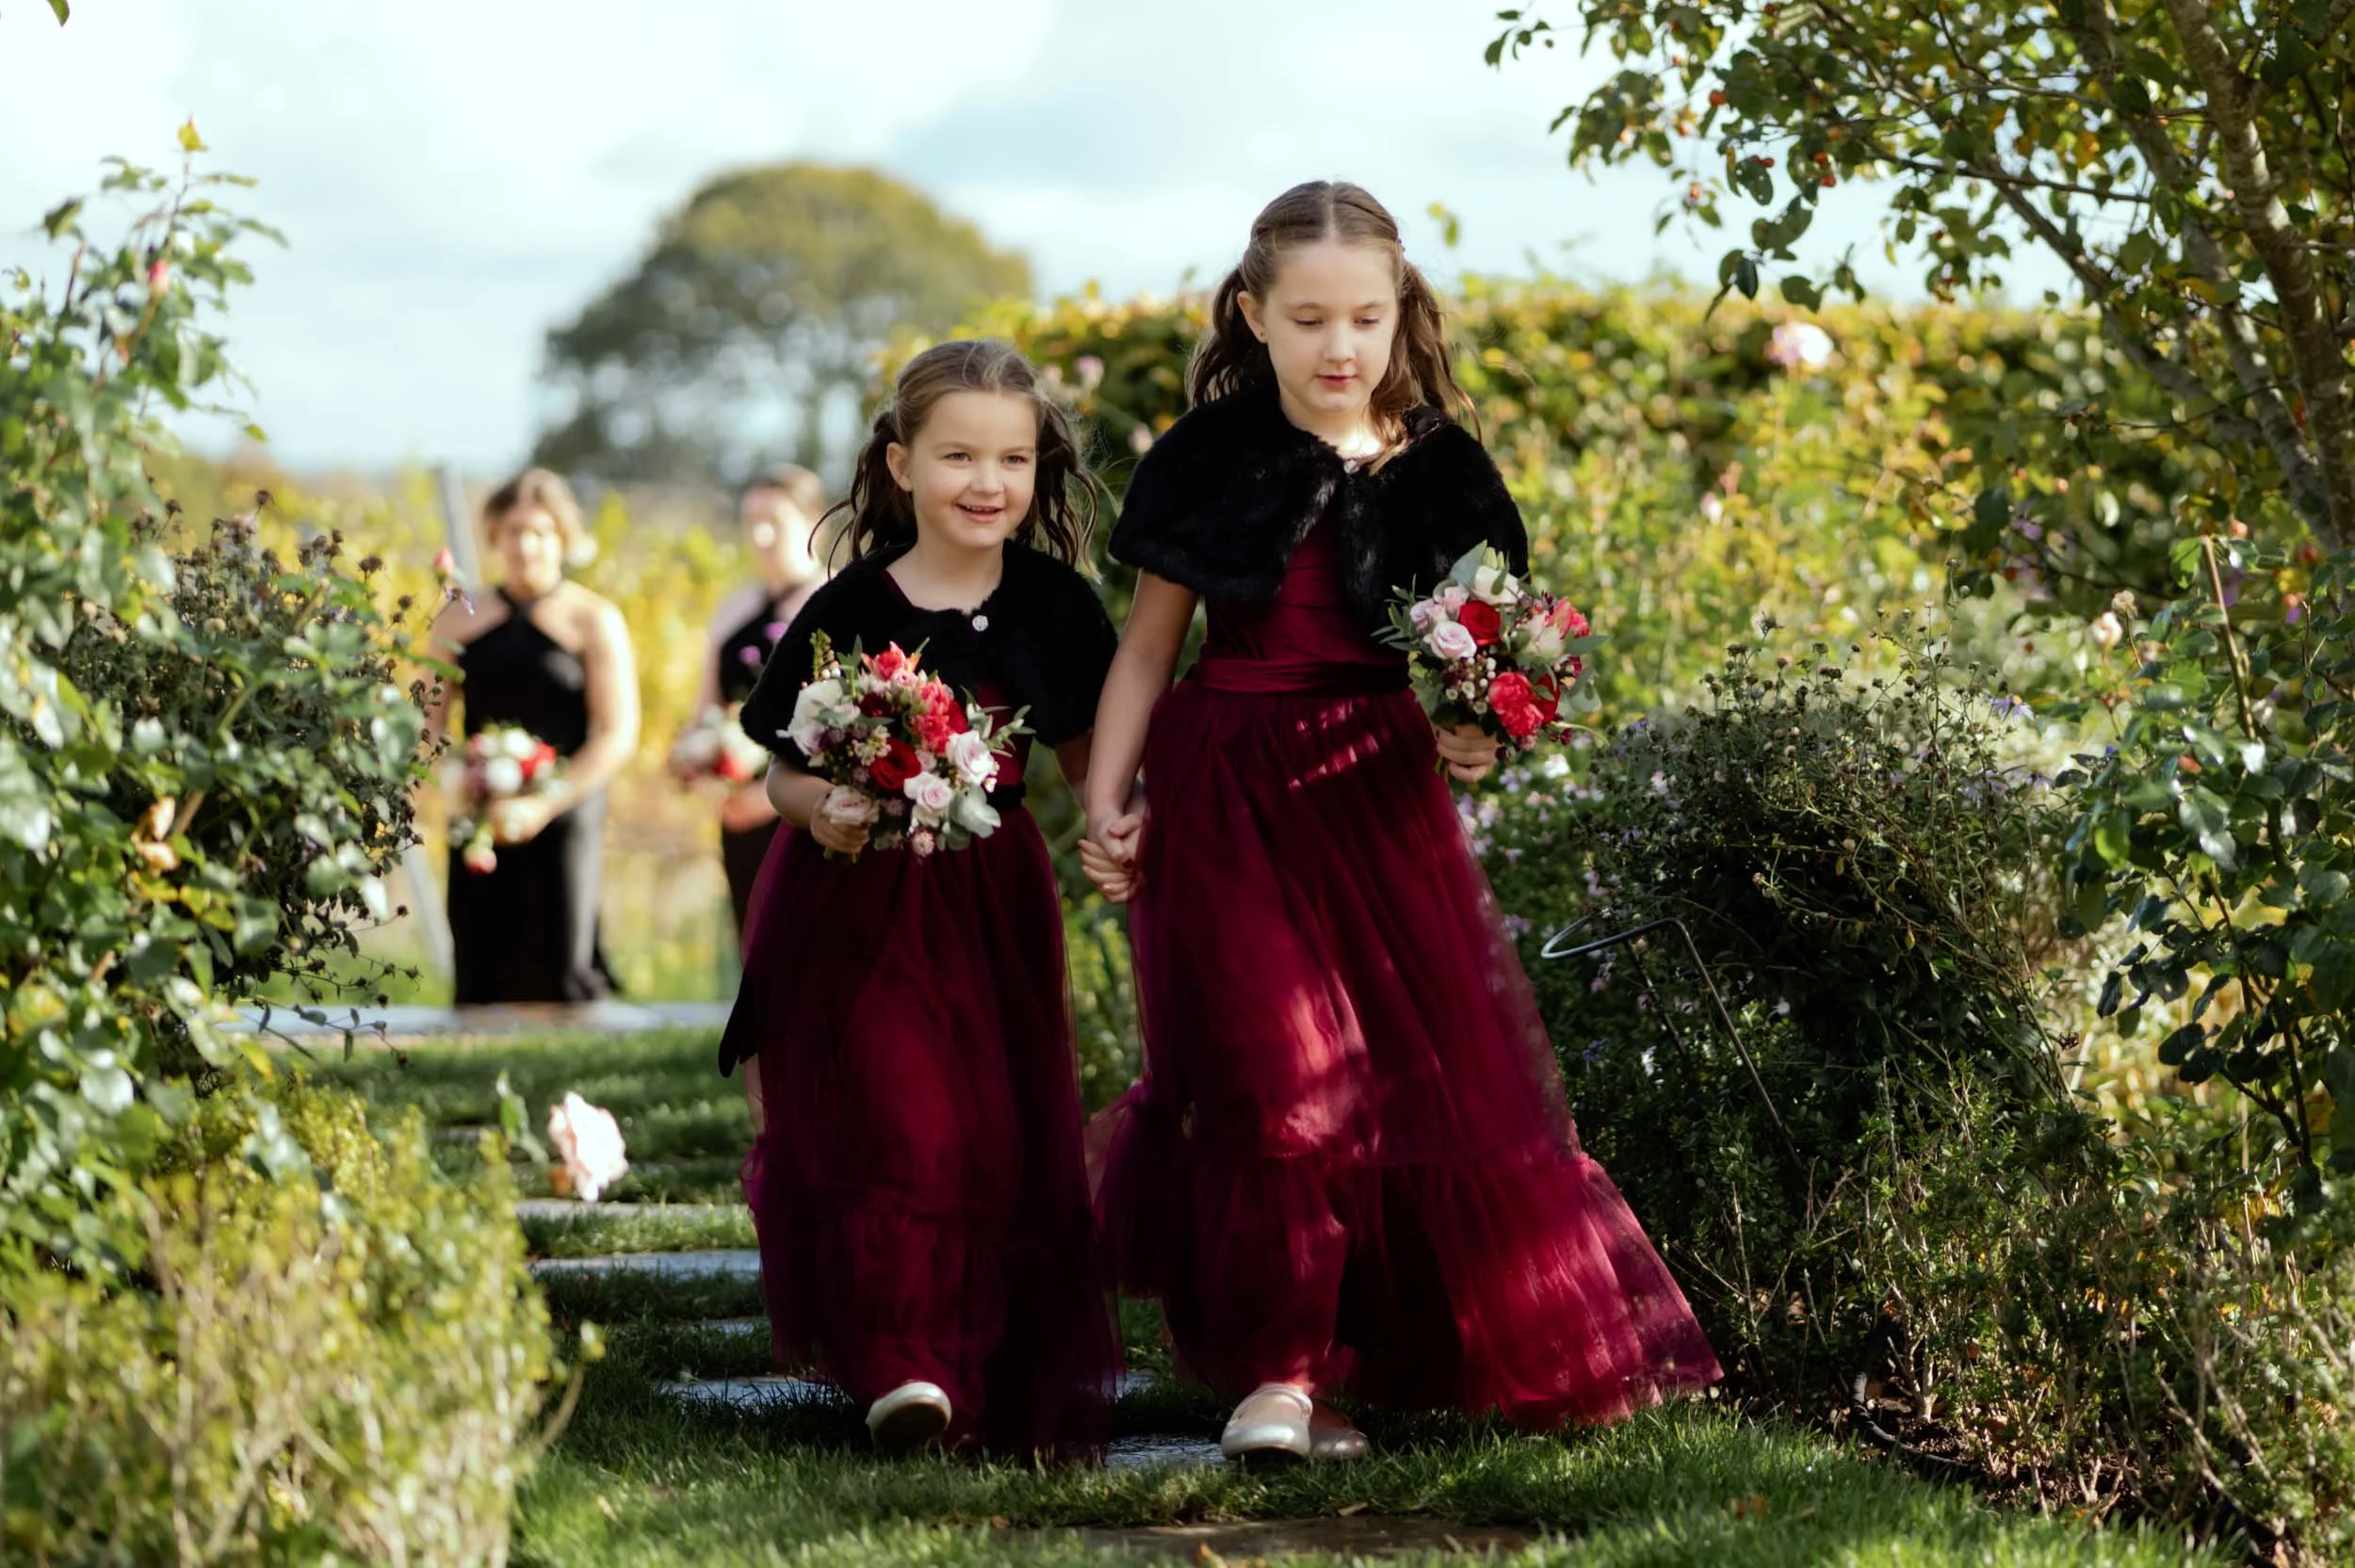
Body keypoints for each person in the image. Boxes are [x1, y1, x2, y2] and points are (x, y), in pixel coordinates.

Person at [1080, 182, 1721, 1465]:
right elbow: (1150, 651)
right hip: (1228, 789)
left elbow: (1478, 673)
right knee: (1271, 1075)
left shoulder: (1442, 472)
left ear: (1399, 313)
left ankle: (1348, 1368)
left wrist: (1481, 728)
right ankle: (1276, 1373)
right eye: (1308, 317)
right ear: (1253, 314)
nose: (1338, 346)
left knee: (1381, 1084)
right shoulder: (1205, 460)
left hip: (1376, 793)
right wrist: (1109, 793)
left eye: (1365, 318)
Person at [718, 341, 1123, 1459]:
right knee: (899, 1113)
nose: (986, 482)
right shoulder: (849, 606)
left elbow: (1094, 757)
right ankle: (902, 1358)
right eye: (956, 455)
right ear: (900, 464)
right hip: (856, 896)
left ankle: (974, 1349)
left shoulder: (1055, 606)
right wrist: (820, 811)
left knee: (991, 1130)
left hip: (993, 902)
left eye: (1011, 458)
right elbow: (780, 767)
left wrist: (1114, 823)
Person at [425, 468, 639, 1005]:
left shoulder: (594, 619)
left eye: (540, 532)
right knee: (482, 960)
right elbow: (426, 724)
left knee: (562, 962)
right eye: (513, 531)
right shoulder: (459, 617)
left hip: (567, 806)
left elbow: (616, 732)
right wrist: (450, 783)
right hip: (480, 809)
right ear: (495, 536)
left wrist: (547, 803)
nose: (526, 545)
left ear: (562, 538)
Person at [696, 465, 829, 943]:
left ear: (814, 522)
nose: (761, 534)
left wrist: (771, 797)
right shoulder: (733, 609)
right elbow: (706, 709)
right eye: (751, 521)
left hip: (810, 810)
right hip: (737, 809)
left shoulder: (838, 603)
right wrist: (699, 765)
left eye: (775, 520)